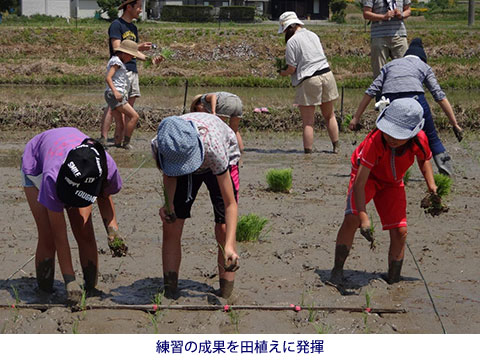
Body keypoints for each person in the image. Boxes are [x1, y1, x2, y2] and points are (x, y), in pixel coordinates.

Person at [329, 98, 437, 286]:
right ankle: (337, 270)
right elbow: (359, 184)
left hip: (393, 182)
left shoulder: (419, 140)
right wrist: (364, 217)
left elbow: (424, 159)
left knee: (400, 231)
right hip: (367, 178)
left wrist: (431, 186)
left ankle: (393, 279)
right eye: (390, 132)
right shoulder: (376, 141)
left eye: (398, 134)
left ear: (413, 132)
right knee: (352, 218)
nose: (392, 138)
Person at [21, 128, 123, 303]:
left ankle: (91, 288)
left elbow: (104, 196)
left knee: (84, 230)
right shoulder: (50, 177)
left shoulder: (106, 166)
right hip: (38, 167)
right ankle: (45, 293)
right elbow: (59, 235)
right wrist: (70, 281)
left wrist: (113, 231)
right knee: (48, 236)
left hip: (68, 158)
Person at [151, 112, 241, 299]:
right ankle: (170, 290)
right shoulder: (161, 144)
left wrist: (230, 245)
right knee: (171, 223)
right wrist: (168, 205)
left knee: (224, 228)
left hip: (218, 158)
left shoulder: (214, 147)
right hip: (184, 158)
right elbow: (169, 174)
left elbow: (230, 204)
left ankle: (226, 293)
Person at [348, 38, 463, 176]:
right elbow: (439, 96)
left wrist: (356, 118)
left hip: (391, 102)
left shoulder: (390, 65)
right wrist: (454, 124)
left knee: (388, 138)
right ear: (422, 58)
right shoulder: (423, 66)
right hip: (415, 99)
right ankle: (446, 171)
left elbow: (371, 91)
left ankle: (386, 170)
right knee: (431, 137)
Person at [277, 11, 340, 154]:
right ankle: (336, 147)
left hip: (310, 79)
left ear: (286, 28)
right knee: (330, 115)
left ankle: (308, 154)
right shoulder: (313, 34)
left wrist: (282, 72)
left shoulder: (292, 42)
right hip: (327, 74)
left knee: (308, 122)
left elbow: (292, 68)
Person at [99, 0, 156, 148]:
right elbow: (118, 47)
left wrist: (151, 60)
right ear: (129, 7)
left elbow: (134, 52)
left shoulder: (134, 28)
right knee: (113, 107)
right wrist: (139, 47)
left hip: (132, 70)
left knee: (127, 107)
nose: (140, 10)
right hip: (120, 70)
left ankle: (121, 139)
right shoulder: (117, 25)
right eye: (138, 7)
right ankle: (103, 138)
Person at [104, 39, 145, 149]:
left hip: (111, 95)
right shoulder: (117, 62)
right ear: (124, 53)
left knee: (120, 122)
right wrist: (116, 92)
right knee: (134, 116)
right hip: (114, 95)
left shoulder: (117, 60)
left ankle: (117, 144)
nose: (131, 59)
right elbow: (108, 78)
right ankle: (126, 143)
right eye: (131, 56)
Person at [363, 0, 411, 78]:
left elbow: (408, 10)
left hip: (399, 35)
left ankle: (402, 88)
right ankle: (381, 89)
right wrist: (383, 17)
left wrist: (401, 15)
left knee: (404, 70)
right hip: (379, 36)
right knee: (379, 72)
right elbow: (366, 13)